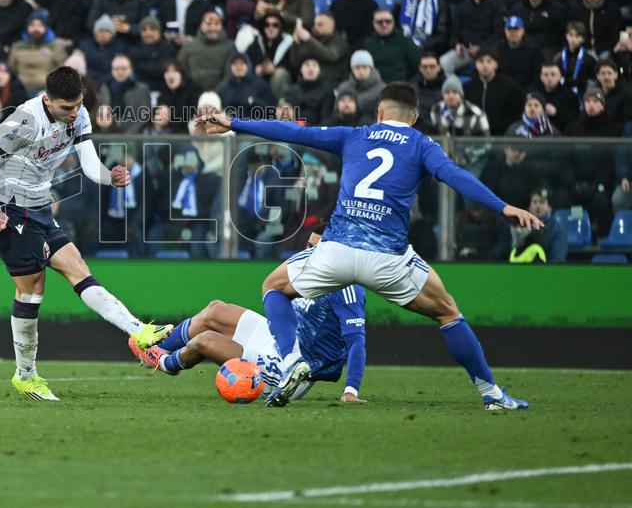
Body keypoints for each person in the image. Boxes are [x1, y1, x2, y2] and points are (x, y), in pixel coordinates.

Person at [197, 81, 540, 409]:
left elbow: (295, 132)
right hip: (388, 259)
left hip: (337, 251)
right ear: (414, 117)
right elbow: (455, 176)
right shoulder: (422, 144)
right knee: (448, 312)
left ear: (378, 112)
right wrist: (504, 206)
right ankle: (492, 393)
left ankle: (291, 361)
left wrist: (234, 122)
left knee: (273, 286)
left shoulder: (355, 135)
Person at [0, 66, 172, 400]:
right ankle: (26, 375)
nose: (74, 113)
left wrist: (111, 177)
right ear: (47, 100)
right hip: (9, 207)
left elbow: (90, 165)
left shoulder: (79, 118)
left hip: (39, 206)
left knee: (77, 265)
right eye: (66, 108)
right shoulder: (25, 120)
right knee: (32, 291)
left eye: (78, 105)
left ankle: (137, 331)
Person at [134, 223, 367, 402]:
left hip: (292, 368)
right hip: (277, 339)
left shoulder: (346, 286)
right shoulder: (304, 270)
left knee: (204, 341)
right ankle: (158, 348)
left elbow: (356, 339)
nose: (309, 252)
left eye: (316, 248)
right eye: (308, 245)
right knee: (216, 309)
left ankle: (166, 363)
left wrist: (351, 390)